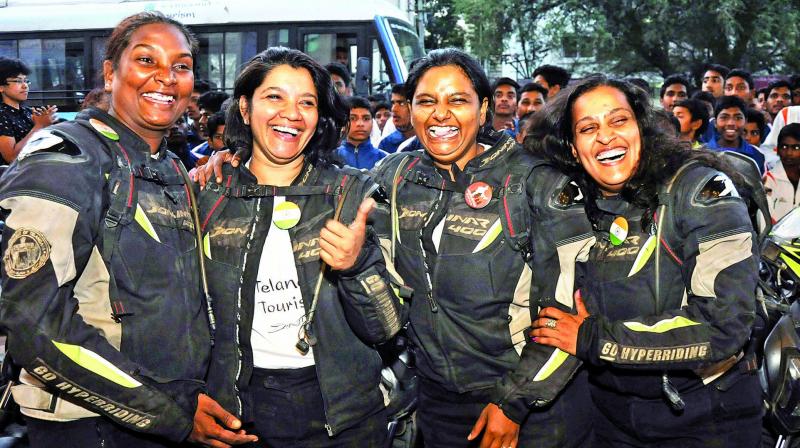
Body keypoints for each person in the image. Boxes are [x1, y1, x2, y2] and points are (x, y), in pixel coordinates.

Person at [0, 12, 256, 448]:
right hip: (92, 427)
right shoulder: (66, 159)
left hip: (167, 417)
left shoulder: (169, 165)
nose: (166, 78)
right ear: (110, 71)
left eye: (180, 65)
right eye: (146, 60)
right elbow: (33, 324)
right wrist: (166, 412)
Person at [372, 48, 593, 448]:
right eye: (426, 101)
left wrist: (515, 401)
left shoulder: (535, 181)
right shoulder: (395, 177)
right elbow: (322, 188)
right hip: (439, 403)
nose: (440, 114)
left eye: (457, 100)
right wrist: (233, 162)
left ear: (484, 107)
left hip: (534, 408)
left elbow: (571, 311)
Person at [530, 75, 762, 447]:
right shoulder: (575, 207)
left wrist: (593, 339)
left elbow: (725, 328)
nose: (605, 137)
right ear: (574, 149)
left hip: (704, 418)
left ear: (642, 127)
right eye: (588, 128)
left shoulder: (699, 191)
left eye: (618, 121)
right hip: (610, 416)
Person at [198, 47, 402, 447]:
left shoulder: (352, 193)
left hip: (342, 413)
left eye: (306, 102)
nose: (291, 113)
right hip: (239, 409)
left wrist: (356, 265)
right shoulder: (207, 194)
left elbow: (388, 329)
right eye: (274, 96)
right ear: (244, 106)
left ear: (318, 116)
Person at [0, 57, 57, 164]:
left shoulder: (27, 111)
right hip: (13, 178)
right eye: (18, 81)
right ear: (1, 87)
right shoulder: (2, 114)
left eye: (26, 81)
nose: (25, 85)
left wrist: (48, 122)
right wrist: (39, 126)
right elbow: (11, 158)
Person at [706, 95, 765, 174]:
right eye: (724, 117)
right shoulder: (703, 153)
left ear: (745, 122)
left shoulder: (756, 155)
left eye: (738, 118)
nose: (731, 123)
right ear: (715, 122)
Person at [336, 96, 387, 169]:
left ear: (372, 122)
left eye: (366, 118)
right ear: (343, 122)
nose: (360, 124)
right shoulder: (331, 158)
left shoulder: (384, 160)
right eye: (353, 118)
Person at [764, 123, 800, 222]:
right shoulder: (768, 180)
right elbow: (764, 220)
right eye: (784, 147)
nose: (789, 153)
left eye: (796, 148)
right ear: (778, 149)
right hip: (776, 236)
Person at [378, 83, 416, 153]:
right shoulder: (386, 144)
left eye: (401, 103)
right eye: (393, 103)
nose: (393, 109)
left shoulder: (430, 141)